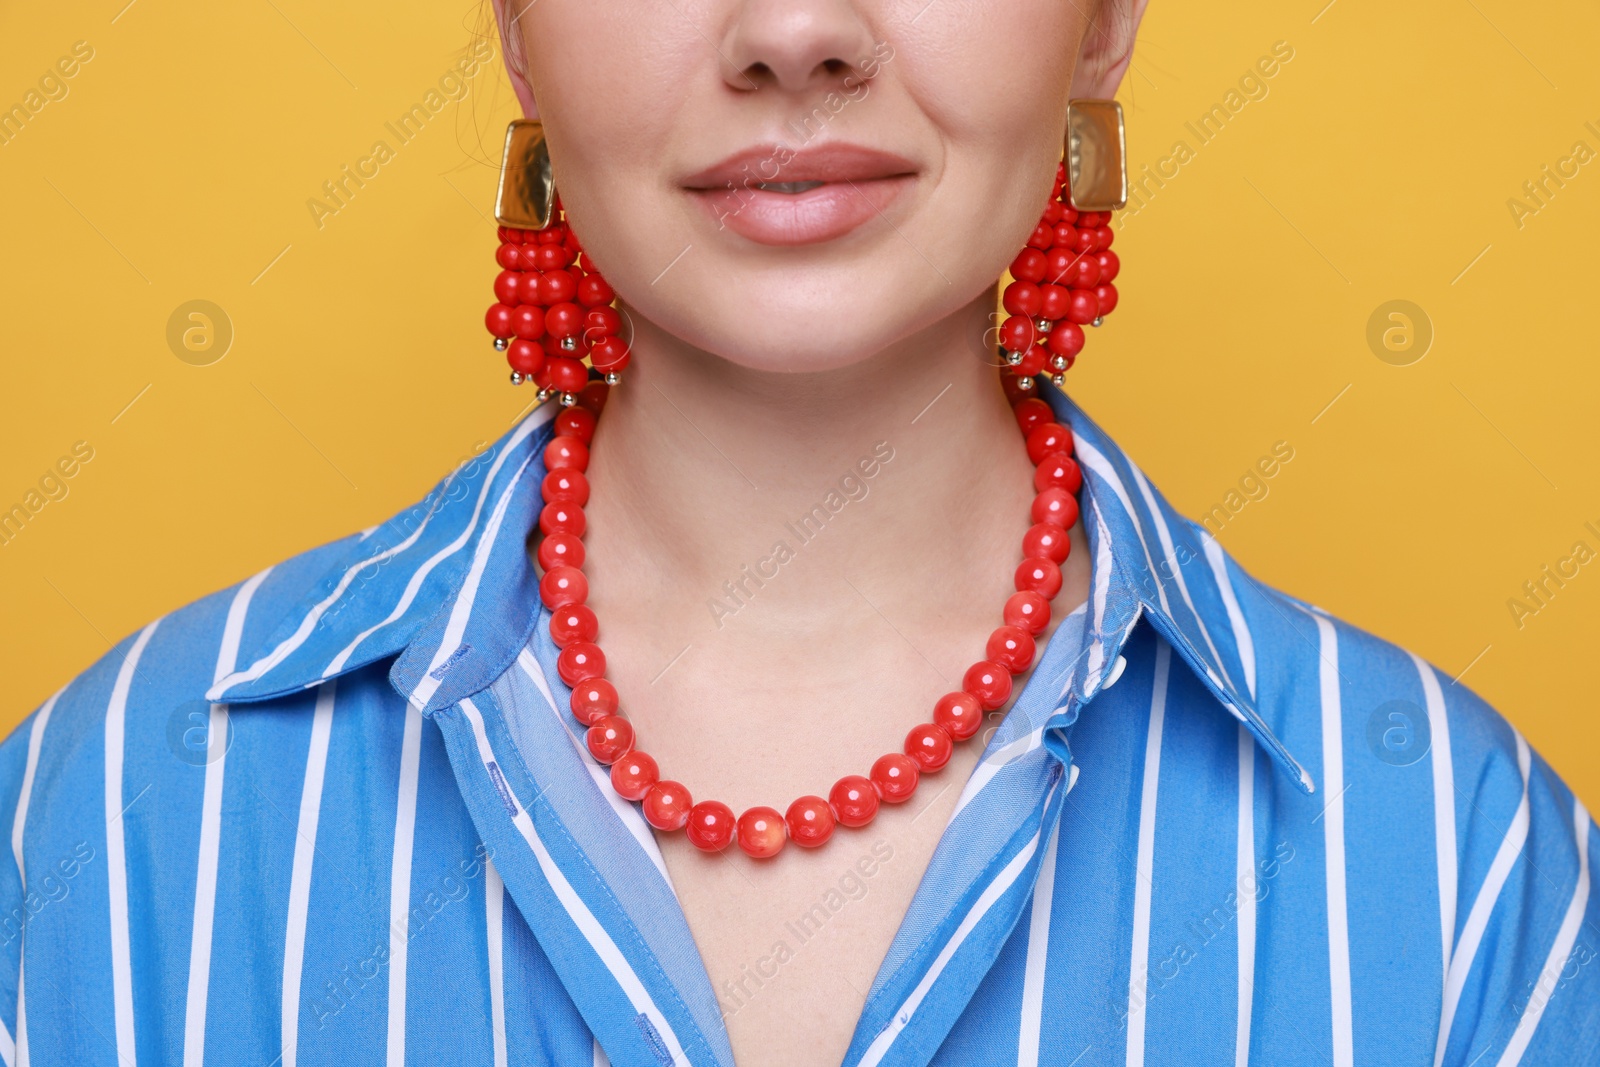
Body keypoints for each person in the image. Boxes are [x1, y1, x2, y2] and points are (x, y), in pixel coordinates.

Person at [2, 1, 1594, 1064]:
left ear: (1106, 16)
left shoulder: (1459, 865)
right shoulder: (117, 816)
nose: (792, 35)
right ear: (515, 30)